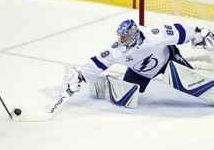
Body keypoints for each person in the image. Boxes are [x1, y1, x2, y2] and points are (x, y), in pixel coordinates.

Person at [63, 19, 214, 106]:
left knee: (188, 77)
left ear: (135, 34)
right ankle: (104, 84)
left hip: (168, 60)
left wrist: (199, 33)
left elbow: (178, 30)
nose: (123, 41)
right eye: (121, 37)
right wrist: (81, 75)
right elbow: (99, 60)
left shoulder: (154, 35)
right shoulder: (118, 51)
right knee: (130, 95)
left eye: (126, 37)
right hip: (139, 72)